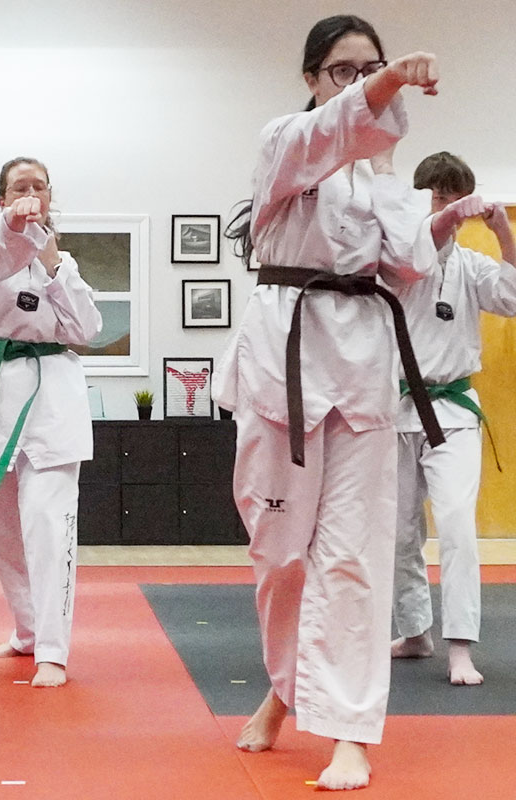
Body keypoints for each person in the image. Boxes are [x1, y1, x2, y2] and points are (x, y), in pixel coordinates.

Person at [213, 15, 441, 791]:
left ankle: (349, 730)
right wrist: (383, 86)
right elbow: (333, 135)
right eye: (342, 71)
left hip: (364, 367)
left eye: (368, 69)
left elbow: (412, 268)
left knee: (353, 554)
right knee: (279, 553)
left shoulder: (384, 184)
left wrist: (416, 208)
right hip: (286, 357)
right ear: (312, 78)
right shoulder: (284, 142)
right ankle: (285, 687)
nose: (358, 83)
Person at [0, 157, 102, 688]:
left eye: (39, 187)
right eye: (18, 188)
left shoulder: (61, 264)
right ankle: (27, 631)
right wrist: (14, 229)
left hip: (52, 401)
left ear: (53, 196)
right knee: (3, 532)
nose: (30, 195)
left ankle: (53, 649)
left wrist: (54, 265)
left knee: (48, 527)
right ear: (1, 199)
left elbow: (87, 329)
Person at [388, 152, 516, 685]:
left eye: (452, 197)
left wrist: (504, 232)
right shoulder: (397, 261)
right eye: (436, 197)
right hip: (393, 411)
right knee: (398, 531)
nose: (444, 206)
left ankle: (460, 645)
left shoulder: (474, 267)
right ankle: (416, 631)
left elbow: (512, 298)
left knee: (459, 528)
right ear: (419, 200)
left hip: (454, 414)